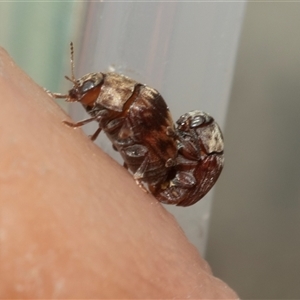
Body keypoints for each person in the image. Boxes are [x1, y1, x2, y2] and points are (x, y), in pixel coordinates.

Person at [0, 47, 238, 299]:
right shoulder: (127, 102)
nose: (79, 95)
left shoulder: (136, 108)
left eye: (87, 90)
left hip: (160, 170)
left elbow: (135, 136)